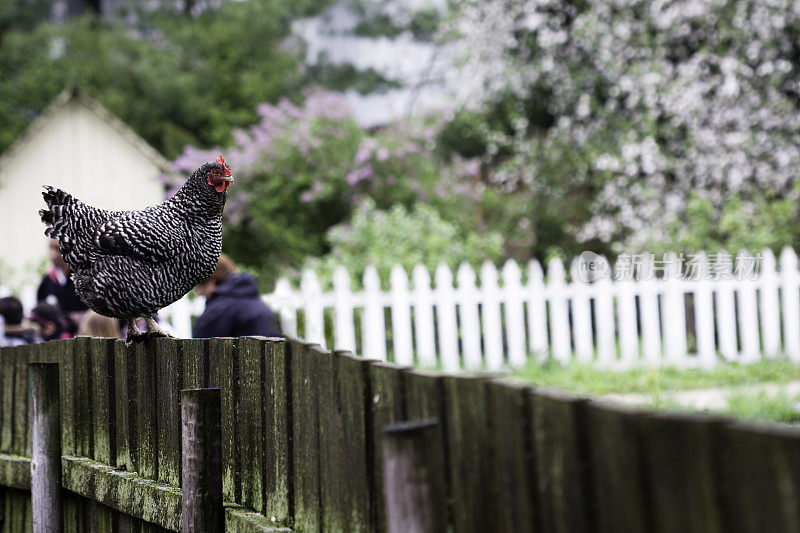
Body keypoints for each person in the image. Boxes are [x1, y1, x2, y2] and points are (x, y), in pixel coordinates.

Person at [192, 254, 281, 339]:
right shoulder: (255, 301)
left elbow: (199, 347)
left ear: (211, 281)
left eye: (198, 286)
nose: (199, 293)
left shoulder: (219, 309)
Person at [37, 239, 88, 324]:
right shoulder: (48, 281)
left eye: (58, 249)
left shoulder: (85, 279)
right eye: (50, 247)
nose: (53, 255)